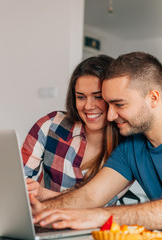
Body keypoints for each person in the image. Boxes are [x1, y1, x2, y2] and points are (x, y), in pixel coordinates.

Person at [29, 52, 162, 230]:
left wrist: (97, 217)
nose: (110, 116)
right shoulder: (131, 144)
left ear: (153, 98)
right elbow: (90, 196)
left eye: (119, 104)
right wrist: (42, 210)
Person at [21, 55, 127, 204]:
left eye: (98, 97)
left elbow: (97, 203)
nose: (88, 106)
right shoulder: (51, 125)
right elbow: (21, 186)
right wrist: (31, 190)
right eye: (81, 97)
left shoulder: (129, 149)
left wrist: (43, 194)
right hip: (45, 223)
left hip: (93, 227)